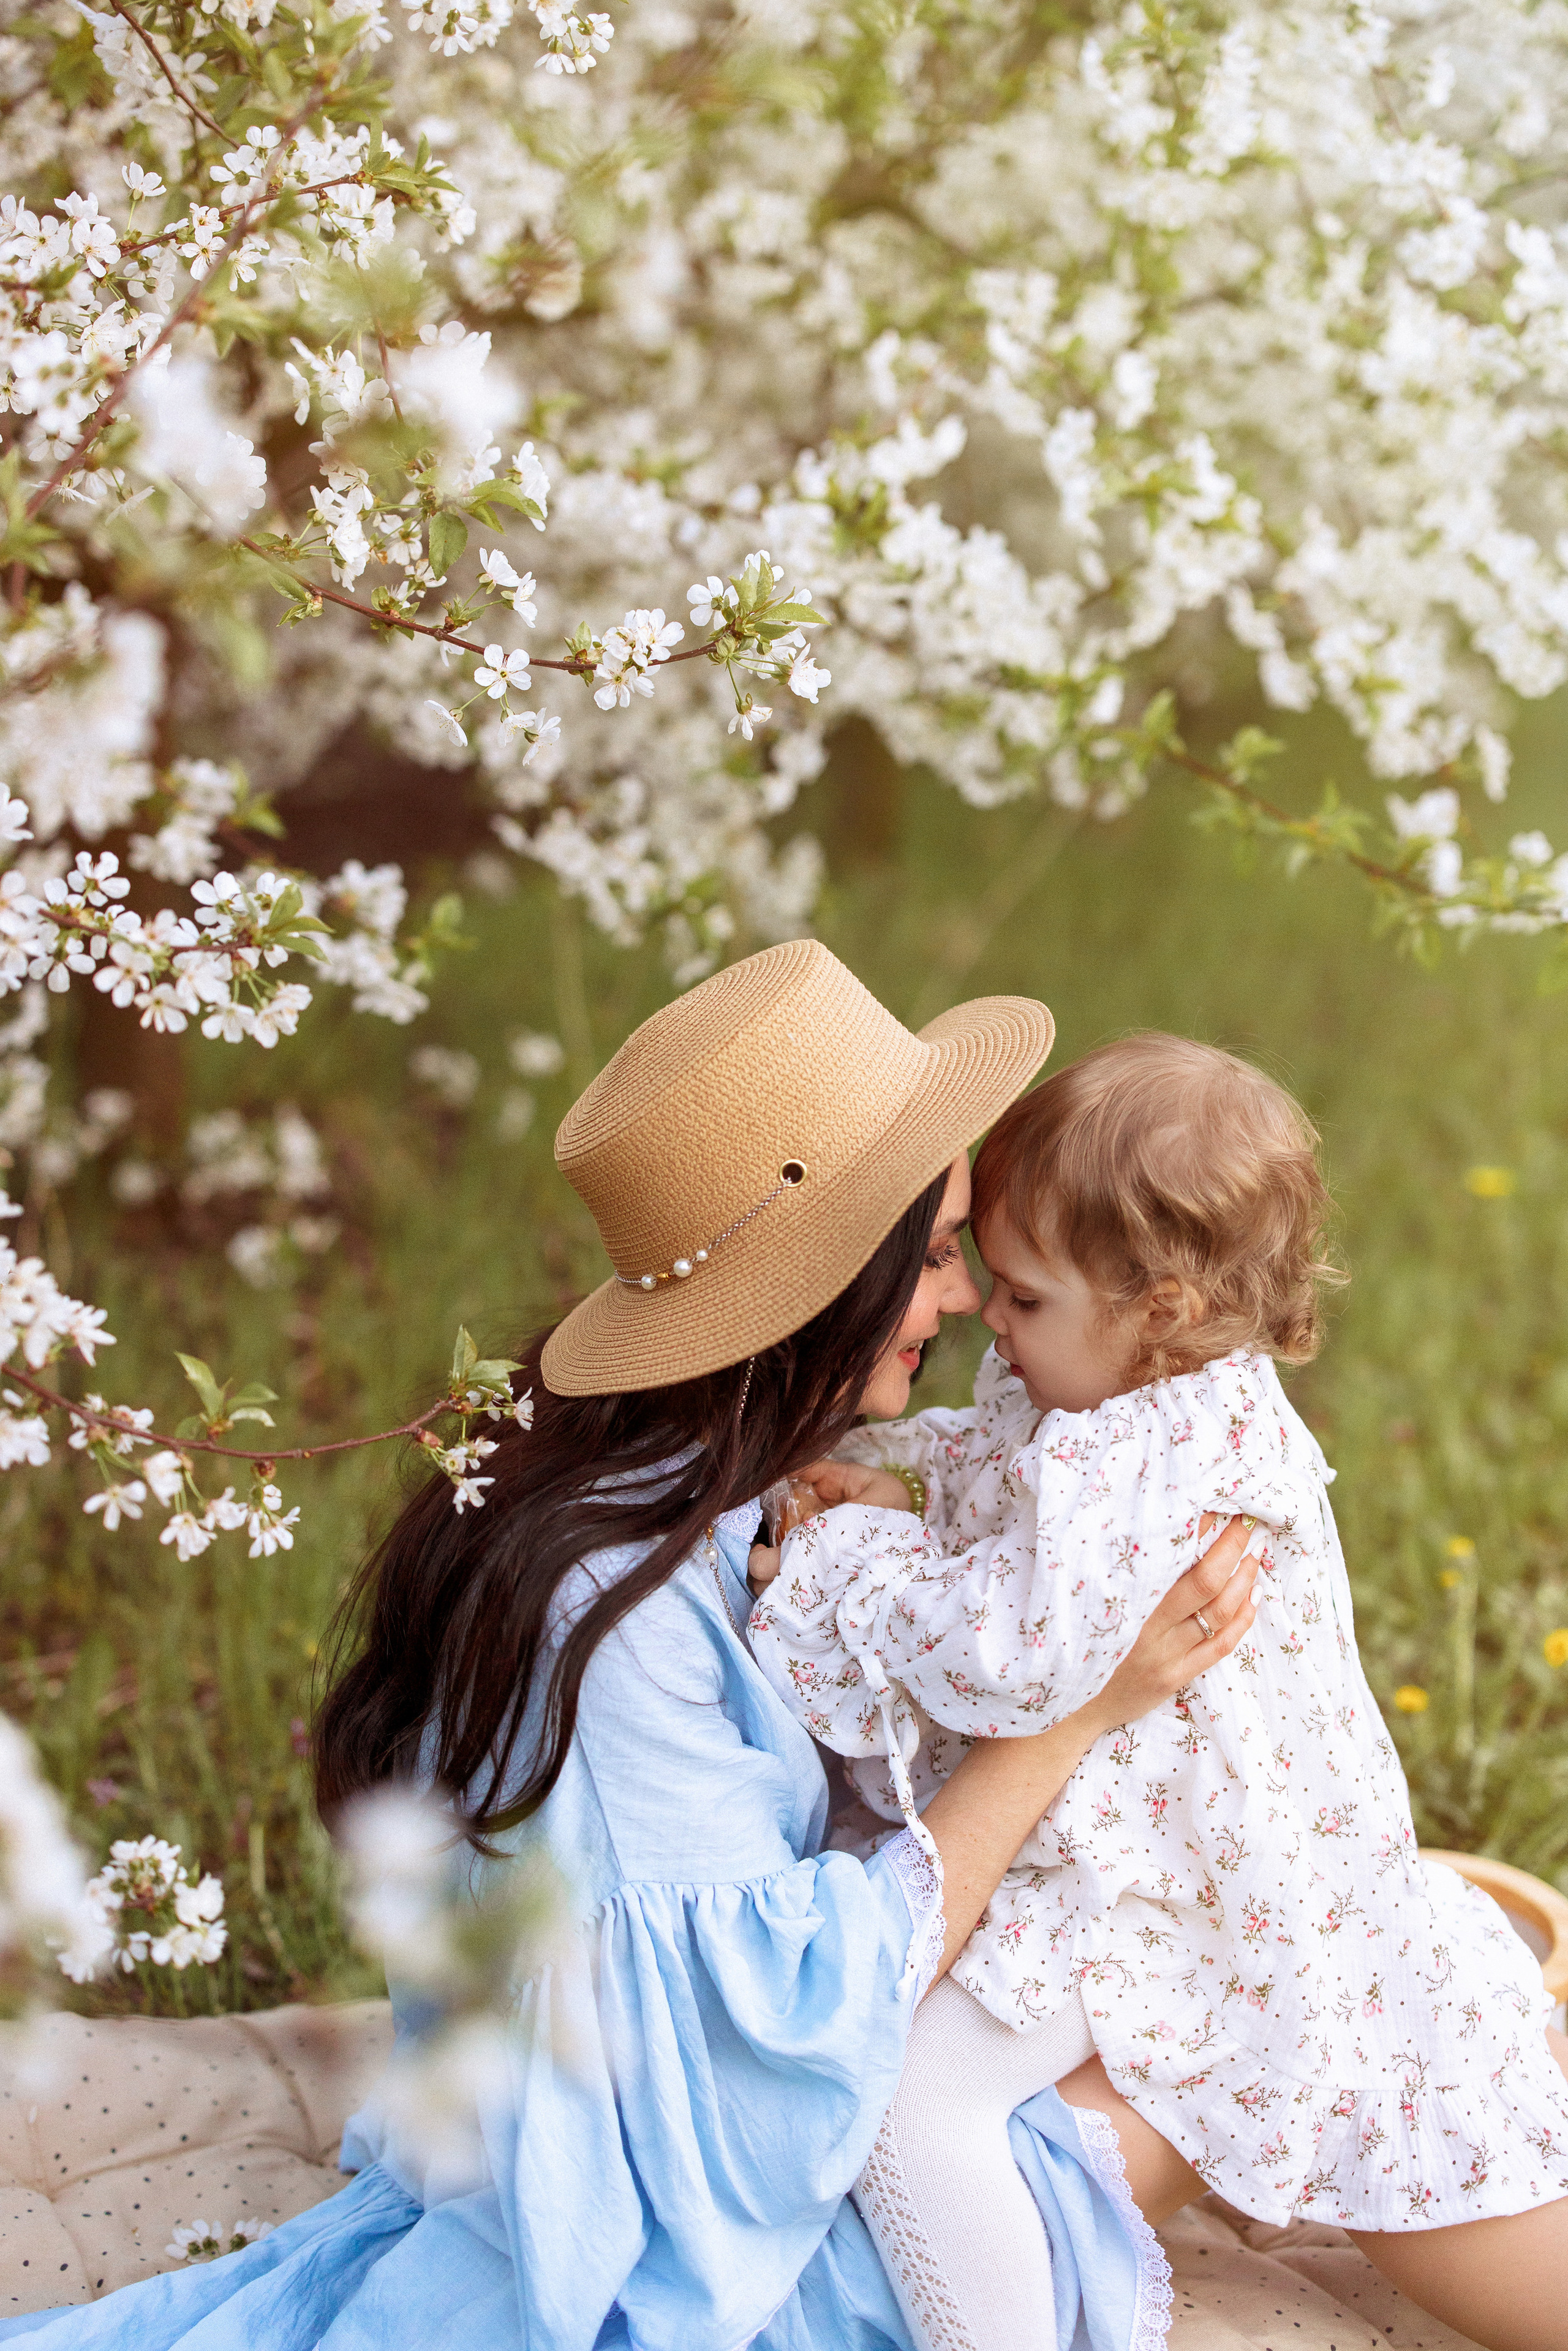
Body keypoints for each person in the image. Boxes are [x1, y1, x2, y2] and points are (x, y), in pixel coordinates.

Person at [0, 948, 1259, 2351]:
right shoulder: (610, 1615)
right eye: (937, 1252)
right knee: (1226, 2039)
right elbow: (775, 2031)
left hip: (681, 2128)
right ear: (828, 1284)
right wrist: (1075, 1713)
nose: (962, 1299)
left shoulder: (669, 1492)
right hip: (708, 2238)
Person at [750, 1033, 1568, 2351]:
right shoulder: (1117, 1385)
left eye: (1016, 1296)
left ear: (1160, 1307)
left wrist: (849, 1555)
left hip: (1172, 1879)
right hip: (1152, 1838)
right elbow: (1006, 1468)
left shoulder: (1159, 1458)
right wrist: (909, 1485)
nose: (983, 1323)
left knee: (910, 2110)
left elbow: (1013, 1653)